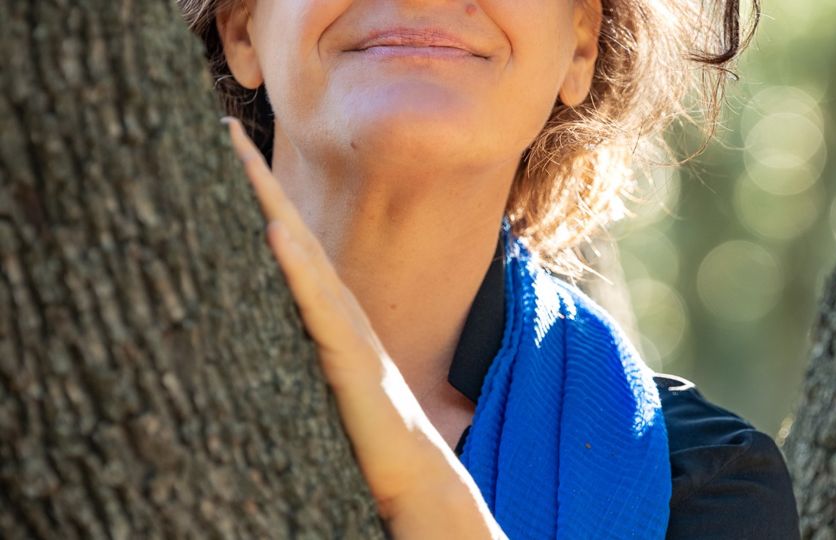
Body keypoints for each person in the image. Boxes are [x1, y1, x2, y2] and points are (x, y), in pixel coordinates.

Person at [182, 0, 800, 537]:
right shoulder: (102, 374)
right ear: (242, 31)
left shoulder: (704, 489)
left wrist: (418, 485)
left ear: (580, 46)